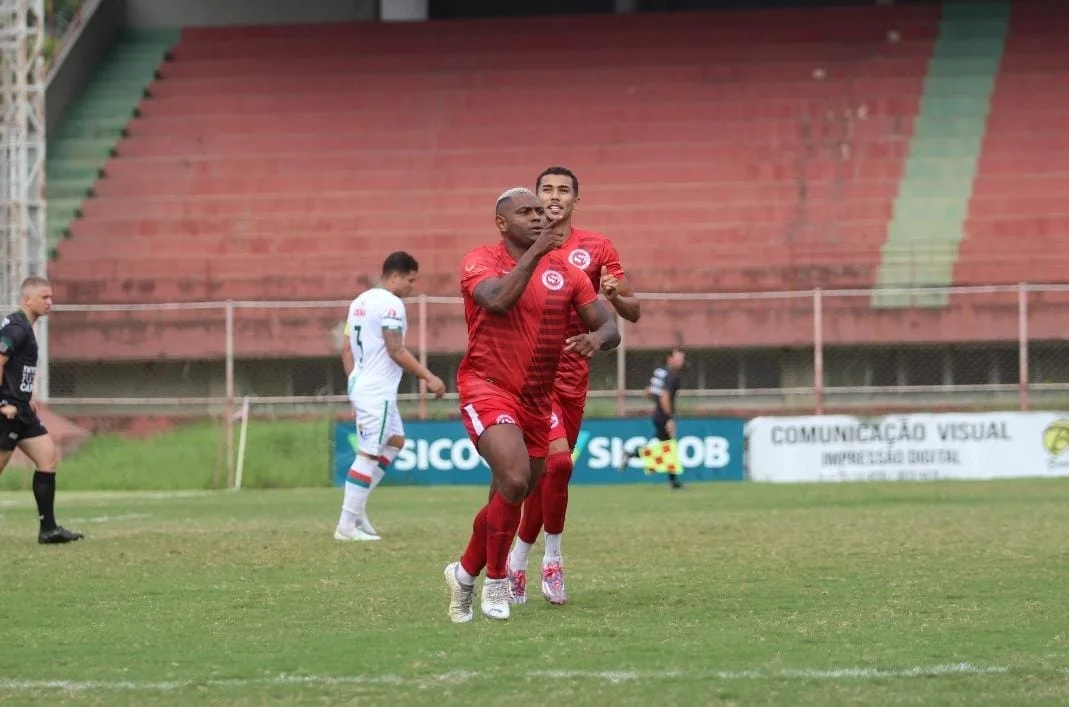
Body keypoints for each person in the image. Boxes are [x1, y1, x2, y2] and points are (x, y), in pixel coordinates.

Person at [443, 187, 620, 623]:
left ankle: (465, 573)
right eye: (526, 212)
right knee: (518, 478)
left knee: (508, 492)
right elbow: (498, 299)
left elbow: (610, 325)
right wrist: (537, 253)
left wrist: (596, 338)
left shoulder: (569, 273)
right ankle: (498, 581)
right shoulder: (479, 261)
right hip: (488, 387)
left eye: (541, 212)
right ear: (502, 223)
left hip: (538, 399)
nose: (539, 218)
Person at [506, 166, 642, 607]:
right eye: (546, 189)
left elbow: (631, 311)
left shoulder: (597, 247)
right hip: (532, 376)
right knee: (558, 465)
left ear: (575, 201)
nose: (554, 196)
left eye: (563, 190)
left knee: (552, 473)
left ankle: (518, 561)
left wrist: (615, 296)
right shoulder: (520, 247)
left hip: (574, 376)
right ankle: (552, 560)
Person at [335, 252, 446, 541]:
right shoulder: (391, 305)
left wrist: (354, 383)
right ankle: (346, 526)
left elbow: (347, 349)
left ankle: (357, 511)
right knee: (369, 452)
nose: (412, 286)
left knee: (395, 441)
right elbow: (395, 349)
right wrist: (429, 377)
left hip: (361, 382)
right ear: (394, 276)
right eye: (410, 280)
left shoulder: (360, 301)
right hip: (377, 390)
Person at [0, 277, 83, 544]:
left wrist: (25, 397)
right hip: (7, 412)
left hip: (23, 410)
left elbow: (16, 369)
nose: (50, 302)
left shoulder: (26, 327)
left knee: (47, 458)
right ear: (28, 299)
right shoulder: (16, 327)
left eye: (51, 297)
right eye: (44, 297)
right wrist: (3, 403)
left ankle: (48, 529)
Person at [622, 348, 687, 489]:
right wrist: (669, 418)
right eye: (678, 358)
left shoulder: (660, 372)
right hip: (663, 415)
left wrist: (658, 404)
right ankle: (633, 453)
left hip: (657, 413)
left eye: (682, 358)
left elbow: (647, 392)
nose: (681, 362)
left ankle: (674, 481)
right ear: (669, 358)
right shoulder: (671, 376)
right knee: (667, 447)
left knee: (667, 447)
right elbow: (664, 396)